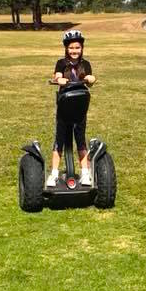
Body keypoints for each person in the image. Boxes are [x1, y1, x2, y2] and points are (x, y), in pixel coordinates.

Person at [47, 29, 96, 187]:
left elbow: (90, 78)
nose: (74, 51)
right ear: (66, 49)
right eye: (71, 48)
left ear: (82, 48)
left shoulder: (85, 64)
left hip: (80, 106)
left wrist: (90, 78)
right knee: (59, 141)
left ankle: (85, 173)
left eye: (77, 48)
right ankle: (54, 174)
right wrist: (59, 79)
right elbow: (57, 75)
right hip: (64, 105)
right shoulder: (61, 63)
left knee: (80, 141)